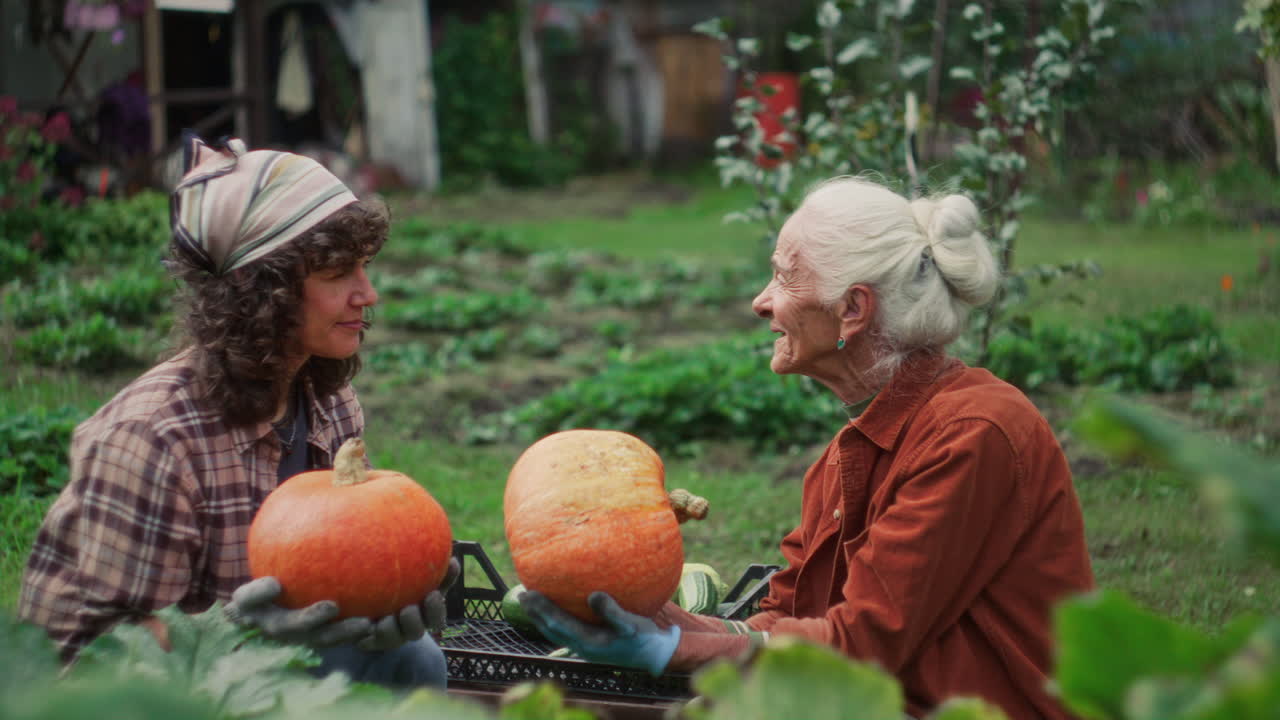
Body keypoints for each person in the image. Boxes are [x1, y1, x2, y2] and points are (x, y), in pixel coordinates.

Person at [519, 176, 1095, 719]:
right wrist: (664, 618)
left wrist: (672, 649)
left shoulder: (974, 435)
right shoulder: (846, 459)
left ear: (853, 309)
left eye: (785, 278)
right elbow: (785, 620)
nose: (761, 302)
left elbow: (860, 646)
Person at [18, 134, 457, 690]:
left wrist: (402, 579)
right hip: (150, 695)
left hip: (268, 679)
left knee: (413, 656)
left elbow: (345, 553)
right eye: (338, 272)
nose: (367, 293)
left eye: (365, 267)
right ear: (263, 291)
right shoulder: (154, 441)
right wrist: (237, 633)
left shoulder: (328, 403)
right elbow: (93, 665)